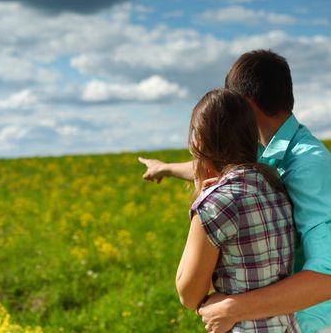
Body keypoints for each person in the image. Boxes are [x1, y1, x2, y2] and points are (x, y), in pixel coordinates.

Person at [139, 50, 331, 333]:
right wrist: (164, 168)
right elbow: (214, 165)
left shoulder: (307, 165)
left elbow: (327, 277)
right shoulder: (263, 151)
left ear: (244, 104)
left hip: (312, 323)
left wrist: (232, 307)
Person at [175, 88, 299, 332]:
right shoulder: (276, 186)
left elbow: (188, 294)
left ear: (199, 141)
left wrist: (201, 201)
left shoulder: (215, 204)